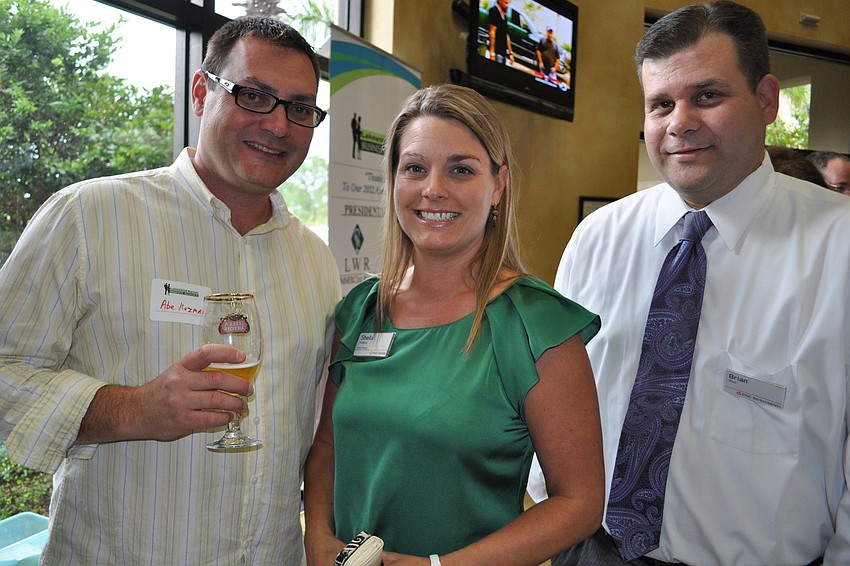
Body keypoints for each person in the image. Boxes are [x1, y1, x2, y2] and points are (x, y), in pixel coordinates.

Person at [0, 16, 341, 565]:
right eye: (254, 95)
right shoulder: (89, 217)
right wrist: (132, 410)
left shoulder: (315, 262)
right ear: (202, 92)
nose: (278, 125)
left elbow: (315, 429)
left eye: (300, 108)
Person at [532, 1, 850, 564]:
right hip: (589, 551)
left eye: (707, 95)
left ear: (766, 99)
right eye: (661, 104)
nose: (680, 122)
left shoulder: (839, 247)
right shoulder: (597, 238)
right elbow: (556, 401)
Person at [303, 84, 604, 566]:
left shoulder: (535, 324)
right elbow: (327, 447)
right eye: (415, 168)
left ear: (498, 184)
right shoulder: (362, 309)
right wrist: (316, 537)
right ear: (394, 180)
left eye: (460, 169)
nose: (433, 189)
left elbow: (580, 503)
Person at [488, 0, 515, 65]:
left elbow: (506, 35)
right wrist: (492, 53)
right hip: (497, 51)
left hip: (503, 52)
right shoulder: (494, 11)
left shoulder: (504, 15)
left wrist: (510, 53)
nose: (507, 6)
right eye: (506, 3)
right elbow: (492, 32)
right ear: (500, 1)